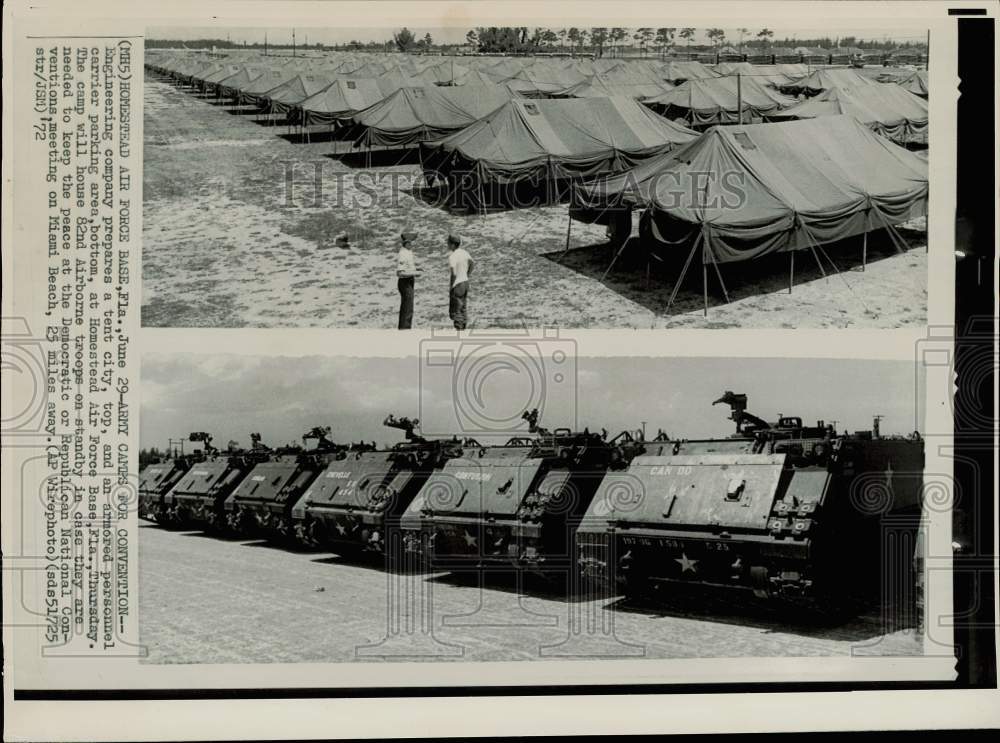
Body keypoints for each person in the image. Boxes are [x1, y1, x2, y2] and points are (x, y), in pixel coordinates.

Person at [446, 234, 473, 330]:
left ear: (453, 245)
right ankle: (464, 326)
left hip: (458, 283)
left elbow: (453, 273)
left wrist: (451, 286)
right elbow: (472, 263)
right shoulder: (465, 252)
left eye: (448, 243)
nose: (447, 245)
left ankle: (459, 328)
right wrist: (467, 274)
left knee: (456, 307)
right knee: (463, 306)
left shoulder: (452, 256)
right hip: (465, 282)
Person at [396, 230, 418, 330]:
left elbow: (408, 267)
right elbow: (400, 273)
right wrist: (415, 273)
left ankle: (406, 329)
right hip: (405, 283)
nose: (413, 244)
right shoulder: (403, 254)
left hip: (409, 281)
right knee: (407, 309)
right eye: (411, 242)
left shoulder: (408, 252)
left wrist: (416, 269)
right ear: (407, 243)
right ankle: (404, 330)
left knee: (409, 308)